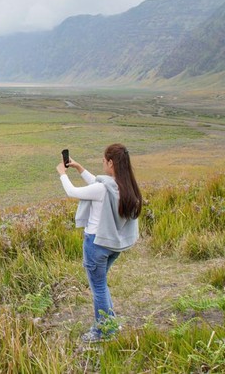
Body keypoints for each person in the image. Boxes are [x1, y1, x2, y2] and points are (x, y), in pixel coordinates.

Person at [56, 143, 142, 342]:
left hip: (96, 244)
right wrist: (79, 168)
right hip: (114, 246)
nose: (102, 163)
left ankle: (103, 331)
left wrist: (63, 174)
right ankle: (110, 322)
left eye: (104, 160)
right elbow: (98, 184)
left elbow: (73, 192)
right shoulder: (125, 186)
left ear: (111, 163)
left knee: (99, 288)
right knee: (102, 284)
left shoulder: (103, 189)